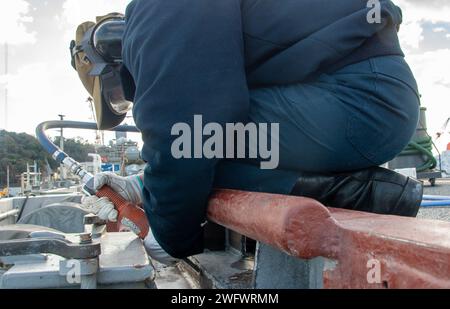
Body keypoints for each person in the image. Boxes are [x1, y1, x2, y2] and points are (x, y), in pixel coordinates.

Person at [84, 0, 423, 264]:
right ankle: (357, 190)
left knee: (194, 145)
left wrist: (167, 233)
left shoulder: (158, 10)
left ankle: (356, 193)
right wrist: (143, 185)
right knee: (194, 148)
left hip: (358, 105)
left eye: (116, 92)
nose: (126, 96)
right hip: (364, 103)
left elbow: (185, 127)